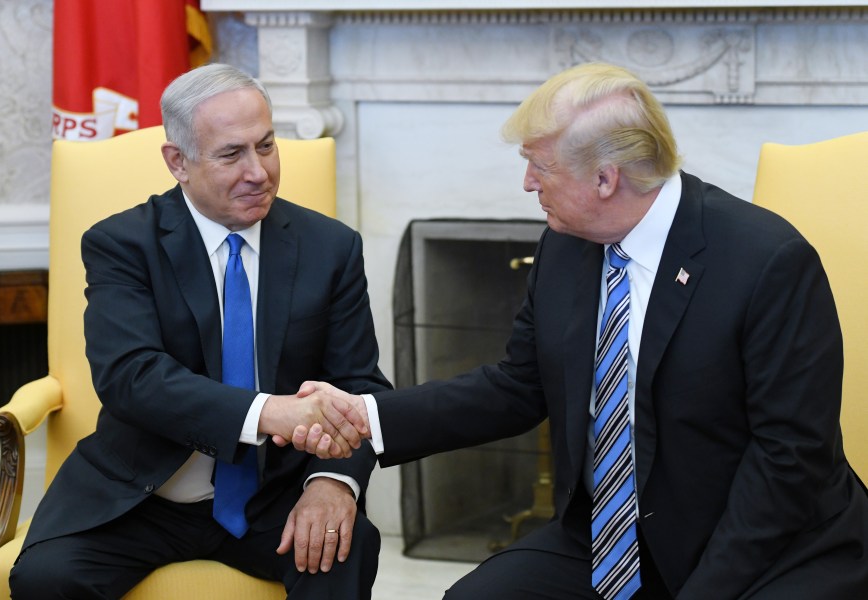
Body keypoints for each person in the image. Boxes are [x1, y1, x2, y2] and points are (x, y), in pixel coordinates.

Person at [289, 63, 868, 599]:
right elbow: (516, 387)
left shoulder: (767, 261)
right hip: (614, 538)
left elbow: (789, 460)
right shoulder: (566, 247)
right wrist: (367, 418)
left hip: (762, 545)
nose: (526, 184)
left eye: (540, 167)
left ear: (605, 179)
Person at [9, 63, 390, 600]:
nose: (258, 172)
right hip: (142, 497)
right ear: (177, 162)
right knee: (46, 579)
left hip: (274, 495)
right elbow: (131, 377)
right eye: (232, 154)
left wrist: (332, 482)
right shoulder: (122, 244)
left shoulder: (331, 247)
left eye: (267, 146)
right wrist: (268, 412)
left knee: (344, 550)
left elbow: (360, 385)